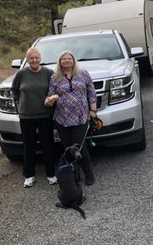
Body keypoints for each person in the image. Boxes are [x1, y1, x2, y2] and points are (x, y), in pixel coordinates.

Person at [45, 51, 97, 185]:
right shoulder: (55, 77)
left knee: (80, 147)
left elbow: (91, 92)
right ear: (60, 62)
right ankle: (74, 175)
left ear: (74, 61)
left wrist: (93, 110)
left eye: (69, 58)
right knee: (68, 148)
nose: (67, 61)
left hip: (81, 117)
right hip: (62, 119)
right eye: (64, 59)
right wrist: (49, 101)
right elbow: (50, 95)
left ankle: (89, 174)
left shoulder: (83, 74)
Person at [12, 47, 57, 188]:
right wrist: (22, 104)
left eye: (36, 58)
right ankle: (29, 176)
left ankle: (51, 174)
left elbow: (55, 89)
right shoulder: (21, 74)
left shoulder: (49, 73)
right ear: (27, 59)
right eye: (31, 58)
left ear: (40, 59)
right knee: (29, 145)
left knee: (47, 145)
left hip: (45, 114)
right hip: (27, 116)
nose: (34, 60)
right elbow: (15, 90)